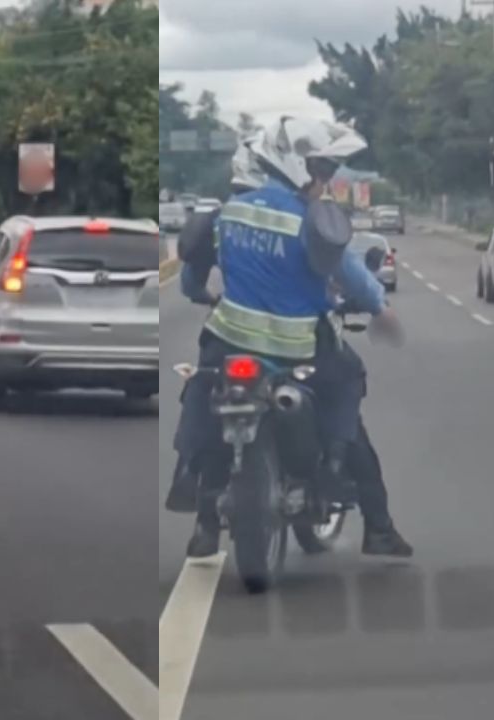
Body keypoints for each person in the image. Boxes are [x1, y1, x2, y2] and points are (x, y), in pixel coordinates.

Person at [171, 116, 411, 558]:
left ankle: (197, 500)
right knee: (348, 383)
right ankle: (370, 517)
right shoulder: (311, 221)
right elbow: (352, 277)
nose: (326, 181)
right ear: (299, 168)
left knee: (201, 387)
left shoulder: (227, 213)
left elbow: (189, 282)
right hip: (299, 348)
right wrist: (381, 308)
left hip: (228, 341)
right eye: (323, 171)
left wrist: (207, 296)